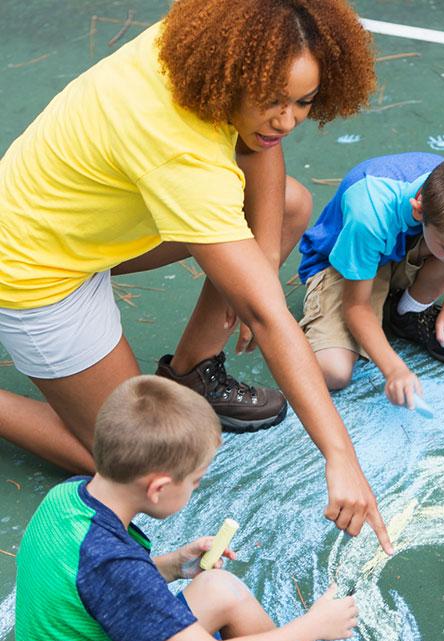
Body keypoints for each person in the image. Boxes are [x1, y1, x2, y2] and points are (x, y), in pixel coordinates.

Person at [0, 0, 391, 551]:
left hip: (95, 223)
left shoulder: (209, 44)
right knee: (126, 461)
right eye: (272, 102)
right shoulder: (181, 154)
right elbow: (266, 315)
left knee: (287, 208)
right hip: (36, 270)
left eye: (303, 102)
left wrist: (255, 262)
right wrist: (339, 457)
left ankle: (191, 370)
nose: (287, 120)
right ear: (232, 78)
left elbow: (261, 150)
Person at [14, 375, 394, 641]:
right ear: (159, 487)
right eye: (194, 481)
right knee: (223, 600)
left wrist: (172, 566)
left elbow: (95, 587)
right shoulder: (116, 567)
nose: (196, 488)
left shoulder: (69, 497)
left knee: (214, 593)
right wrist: (311, 626)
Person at [297, 152, 444, 408]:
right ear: (418, 211)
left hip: (402, 247)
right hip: (344, 267)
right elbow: (356, 307)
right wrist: (394, 369)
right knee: (334, 372)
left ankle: (406, 312)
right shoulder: (369, 213)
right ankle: (387, 307)